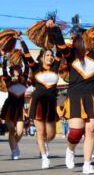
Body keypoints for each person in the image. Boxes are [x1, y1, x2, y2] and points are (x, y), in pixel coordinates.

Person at [56, 23, 94, 174]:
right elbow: (59, 43)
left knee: (90, 131)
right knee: (76, 133)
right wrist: (55, 29)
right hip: (75, 96)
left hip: (93, 96)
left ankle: (87, 164)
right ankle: (70, 150)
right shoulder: (70, 54)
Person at [19, 33, 62, 168]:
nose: (50, 57)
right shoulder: (36, 67)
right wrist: (21, 41)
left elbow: (60, 49)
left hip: (51, 104)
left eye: (51, 55)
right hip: (38, 103)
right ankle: (44, 157)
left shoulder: (56, 67)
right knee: (41, 131)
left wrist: (54, 32)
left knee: (51, 134)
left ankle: (43, 143)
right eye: (47, 55)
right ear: (42, 57)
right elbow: (27, 55)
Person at [0, 50, 29, 160]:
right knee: (11, 130)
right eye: (15, 69)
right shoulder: (8, 80)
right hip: (9, 108)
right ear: (12, 71)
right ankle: (14, 151)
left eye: (18, 68)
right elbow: (4, 70)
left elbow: (27, 66)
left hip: (20, 108)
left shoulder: (24, 79)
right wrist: (4, 58)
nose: (17, 70)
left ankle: (14, 145)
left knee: (20, 132)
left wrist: (23, 56)